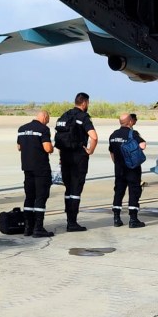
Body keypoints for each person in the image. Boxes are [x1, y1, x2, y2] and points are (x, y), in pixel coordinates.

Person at [55, 92, 98, 231]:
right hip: (79, 157)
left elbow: (61, 140)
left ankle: (69, 219)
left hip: (65, 157)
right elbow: (94, 136)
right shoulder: (83, 117)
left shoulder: (64, 116)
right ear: (84, 103)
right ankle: (72, 223)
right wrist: (90, 150)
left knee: (68, 190)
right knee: (76, 190)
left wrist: (61, 157)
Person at [17, 111, 55, 237]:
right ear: (44, 117)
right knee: (41, 197)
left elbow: (19, 147)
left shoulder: (22, 129)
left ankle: (28, 227)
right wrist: (52, 148)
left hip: (27, 168)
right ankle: (38, 228)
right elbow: (47, 148)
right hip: (41, 168)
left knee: (29, 197)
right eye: (48, 119)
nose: (47, 122)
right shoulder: (43, 129)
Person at [108, 113, 147, 228]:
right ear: (130, 122)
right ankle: (133, 219)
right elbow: (143, 145)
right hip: (132, 168)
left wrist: (116, 163)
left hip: (119, 168)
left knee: (119, 191)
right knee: (134, 190)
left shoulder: (113, 135)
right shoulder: (132, 133)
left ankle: (116, 218)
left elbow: (111, 152)